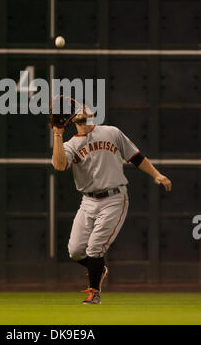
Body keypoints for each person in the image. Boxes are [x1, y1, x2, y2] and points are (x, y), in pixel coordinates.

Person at [52, 108, 172, 305]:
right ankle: (99, 268)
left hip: (114, 198)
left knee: (95, 248)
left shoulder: (111, 132)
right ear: (71, 118)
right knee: (75, 251)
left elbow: (136, 157)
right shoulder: (70, 144)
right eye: (78, 109)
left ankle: (94, 293)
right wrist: (57, 134)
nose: (82, 109)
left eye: (85, 107)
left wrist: (157, 174)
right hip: (88, 200)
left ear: (92, 112)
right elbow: (59, 165)